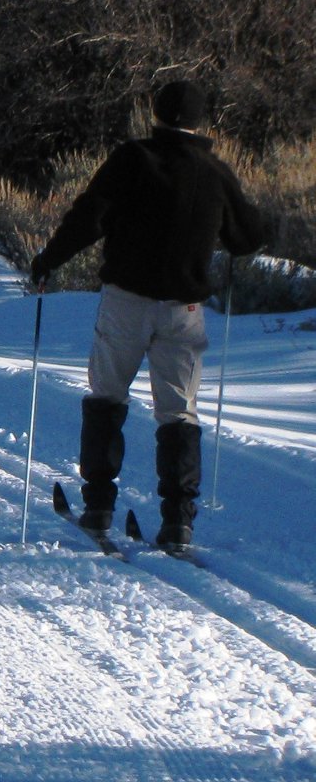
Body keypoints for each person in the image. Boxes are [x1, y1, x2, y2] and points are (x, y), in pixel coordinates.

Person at [30, 80, 267, 551]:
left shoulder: (132, 159)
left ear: (154, 113)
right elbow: (247, 238)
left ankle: (98, 508)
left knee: (107, 398)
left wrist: (48, 260)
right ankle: (178, 524)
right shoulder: (214, 172)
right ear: (202, 122)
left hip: (126, 302)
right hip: (186, 311)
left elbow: (88, 216)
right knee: (179, 414)